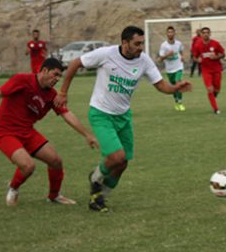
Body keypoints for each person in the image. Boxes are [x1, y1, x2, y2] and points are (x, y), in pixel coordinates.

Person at [54, 26, 192, 212]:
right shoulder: (106, 54)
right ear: (124, 43)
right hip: (101, 113)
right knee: (116, 157)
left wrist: (175, 88)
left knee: (123, 163)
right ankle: (95, 178)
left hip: (123, 116)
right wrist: (63, 92)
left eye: (142, 43)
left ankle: (99, 197)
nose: (140, 47)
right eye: (136, 43)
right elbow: (75, 63)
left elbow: (161, 85)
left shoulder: (144, 61)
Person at [0, 58, 99, 206]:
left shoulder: (52, 95)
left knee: (56, 161)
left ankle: (54, 196)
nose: (57, 79)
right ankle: (13, 188)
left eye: (59, 76)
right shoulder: (22, 80)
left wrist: (87, 134)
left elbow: (67, 115)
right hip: (5, 132)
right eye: (55, 74)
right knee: (28, 166)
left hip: (27, 132)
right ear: (44, 70)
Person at [192, 27, 225, 114]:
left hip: (217, 69)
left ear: (210, 34)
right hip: (206, 70)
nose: (206, 34)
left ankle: (213, 96)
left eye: (207, 32)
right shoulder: (198, 45)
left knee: (216, 90)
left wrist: (216, 57)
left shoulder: (215, 43)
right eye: (204, 33)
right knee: (210, 89)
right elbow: (194, 57)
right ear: (201, 34)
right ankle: (216, 109)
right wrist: (197, 60)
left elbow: (223, 54)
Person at [156, 26, 186, 111]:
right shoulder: (164, 46)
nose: (170, 34)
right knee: (173, 87)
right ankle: (176, 101)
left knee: (178, 82)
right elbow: (160, 59)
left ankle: (180, 102)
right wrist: (167, 55)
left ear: (174, 33)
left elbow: (181, 51)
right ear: (166, 34)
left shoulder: (178, 43)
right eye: (169, 32)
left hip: (179, 67)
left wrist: (183, 56)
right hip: (169, 69)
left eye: (172, 32)